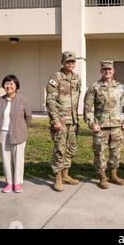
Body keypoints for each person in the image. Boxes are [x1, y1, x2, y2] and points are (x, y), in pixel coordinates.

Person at [84, 60, 124, 189]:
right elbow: (88, 108)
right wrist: (92, 123)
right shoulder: (95, 87)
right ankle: (102, 176)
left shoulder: (119, 86)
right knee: (99, 152)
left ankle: (113, 174)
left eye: (110, 69)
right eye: (105, 69)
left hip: (117, 126)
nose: (107, 71)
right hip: (101, 126)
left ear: (113, 71)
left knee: (116, 152)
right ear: (101, 71)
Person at [45, 51, 81, 192]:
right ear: (62, 62)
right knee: (60, 149)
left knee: (71, 148)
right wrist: (55, 120)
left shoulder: (77, 78)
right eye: (67, 61)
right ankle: (58, 177)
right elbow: (50, 101)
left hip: (73, 120)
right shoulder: (56, 77)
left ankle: (66, 174)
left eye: (72, 61)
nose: (70, 64)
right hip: (60, 120)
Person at [0, 75, 32, 193]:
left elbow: (28, 117)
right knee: (6, 160)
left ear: (16, 86)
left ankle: (17, 183)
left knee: (18, 159)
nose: (8, 86)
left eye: (11, 84)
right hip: (3, 134)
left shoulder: (23, 100)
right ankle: (9, 183)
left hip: (18, 134)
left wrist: (23, 129)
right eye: (6, 83)